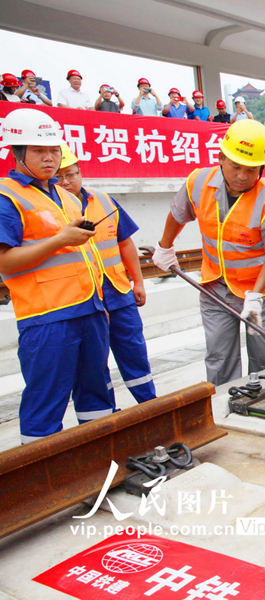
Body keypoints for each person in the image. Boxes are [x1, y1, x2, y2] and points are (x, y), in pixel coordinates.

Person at [0, 108, 114, 444]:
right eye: (38, 151)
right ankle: (41, 470)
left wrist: (99, 304)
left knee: (97, 393)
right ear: (17, 152)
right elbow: (5, 263)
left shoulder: (65, 196)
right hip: (47, 317)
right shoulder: (7, 197)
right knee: (46, 401)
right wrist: (60, 240)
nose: (49, 158)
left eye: (53, 150)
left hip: (89, 309)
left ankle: (98, 456)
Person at [152, 119, 265, 385]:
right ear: (221, 158)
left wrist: (256, 296)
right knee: (219, 359)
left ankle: (263, 399)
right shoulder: (198, 182)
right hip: (216, 286)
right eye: (235, 166)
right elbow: (178, 213)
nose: (242, 176)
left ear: (262, 168)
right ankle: (225, 404)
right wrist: (164, 247)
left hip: (261, 293)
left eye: (251, 170)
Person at [56, 143, 156, 404]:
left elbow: (125, 244)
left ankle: (150, 407)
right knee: (92, 366)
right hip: (82, 300)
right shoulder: (50, 210)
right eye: (58, 176)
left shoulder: (103, 200)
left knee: (134, 354)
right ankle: (104, 418)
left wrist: (138, 282)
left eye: (71, 174)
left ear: (80, 173)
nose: (65, 182)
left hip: (118, 293)